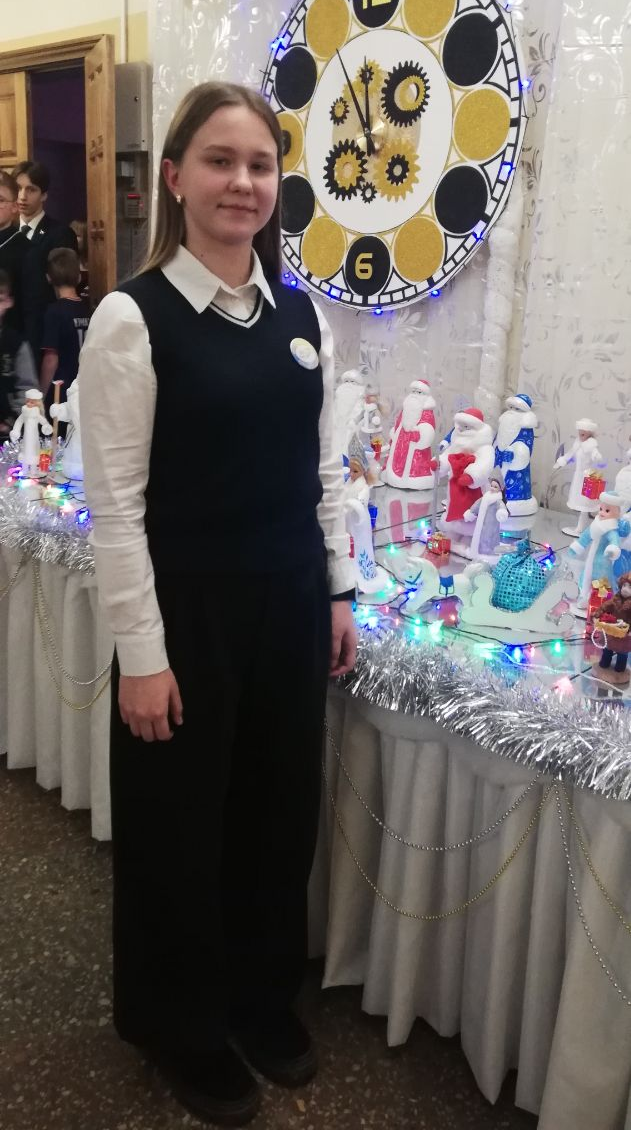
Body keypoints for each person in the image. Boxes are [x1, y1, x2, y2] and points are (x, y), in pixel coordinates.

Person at [78, 81, 357, 1127]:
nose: (243, 182)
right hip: (185, 613)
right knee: (179, 829)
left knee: (276, 816)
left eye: (260, 164)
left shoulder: (301, 314)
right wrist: (141, 654)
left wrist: (337, 589)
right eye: (220, 160)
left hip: (288, 604)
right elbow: (116, 508)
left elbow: (321, 472)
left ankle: (257, 997)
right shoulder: (134, 317)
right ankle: (179, 1022)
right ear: (174, 177)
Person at [13, 160, 78, 362]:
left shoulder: (60, 234)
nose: (22, 196)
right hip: (10, 334)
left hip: (44, 333)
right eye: (18, 188)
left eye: (31, 189)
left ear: (44, 195)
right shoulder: (6, 232)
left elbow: (63, 289)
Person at [40, 248, 91, 406]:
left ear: (48, 277)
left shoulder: (54, 312)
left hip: (61, 390)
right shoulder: (87, 309)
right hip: (85, 385)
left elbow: (50, 359)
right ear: (79, 276)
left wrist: (41, 394)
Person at [0, 269, 38, 442]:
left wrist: (12, 422)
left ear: (9, 301)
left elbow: (28, 390)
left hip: (8, 433)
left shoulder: (17, 344)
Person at [0, 171, 29, 334]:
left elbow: (31, 309)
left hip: (11, 338)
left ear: (14, 207)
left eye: (0, 200)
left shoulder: (27, 250)